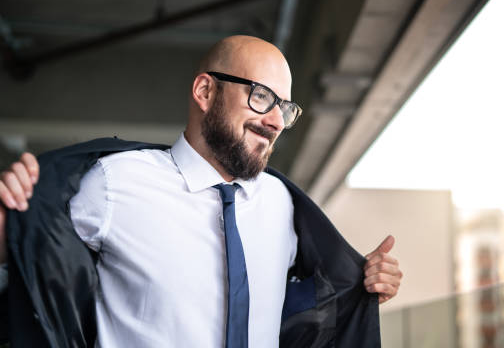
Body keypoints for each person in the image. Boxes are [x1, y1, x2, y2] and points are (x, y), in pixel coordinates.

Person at [0, 35, 402, 347]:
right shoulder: (113, 182)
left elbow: (298, 308)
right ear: (206, 92)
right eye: (261, 96)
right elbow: (32, 253)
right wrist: (11, 211)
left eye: (285, 107)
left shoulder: (283, 204)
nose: (276, 120)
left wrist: (361, 284)